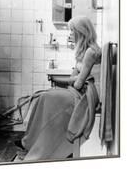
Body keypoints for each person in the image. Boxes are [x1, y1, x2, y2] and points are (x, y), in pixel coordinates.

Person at [15, 16, 101, 161]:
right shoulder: (82, 51)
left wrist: (68, 80)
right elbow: (74, 78)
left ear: (81, 32)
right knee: (42, 97)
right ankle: (28, 142)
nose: (70, 34)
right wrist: (68, 80)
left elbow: (78, 83)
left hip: (86, 96)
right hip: (77, 91)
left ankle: (35, 145)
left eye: (72, 31)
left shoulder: (91, 52)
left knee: (47, 98)